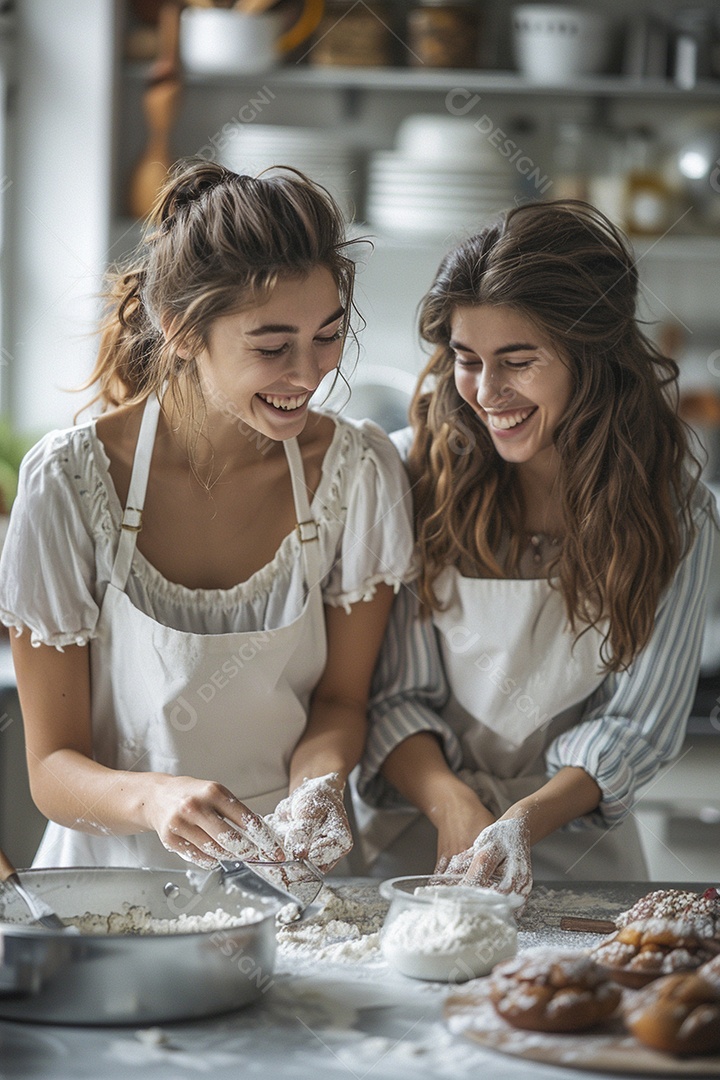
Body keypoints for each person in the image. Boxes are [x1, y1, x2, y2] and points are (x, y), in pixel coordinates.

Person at [0, 159, 415, 874]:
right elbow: (53, 771)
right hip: (115, 882)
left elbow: (343, 701)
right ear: (181, 330)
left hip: (291, 878)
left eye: (327, 335)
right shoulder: (69, 481)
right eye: (271, 346)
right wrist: (157, 800)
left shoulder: (357, 471)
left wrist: (316, 784)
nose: (311, 373)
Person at [357, 199, 717, 896]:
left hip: (578, 856)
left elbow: (635, 726)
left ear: (592, 356)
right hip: (415, 841)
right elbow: (386, 696)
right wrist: (454, 802)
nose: (488, 393)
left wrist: (520, 819)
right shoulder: (409, 478)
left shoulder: (676, 515)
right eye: (467, 360)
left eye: (517, 362)